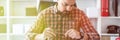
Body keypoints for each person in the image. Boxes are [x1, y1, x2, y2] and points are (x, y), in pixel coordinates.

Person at [26, 0, 100, 40]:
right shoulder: (44, 14)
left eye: (72, 5)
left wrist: (81, 35)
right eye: (65, 4)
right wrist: (41, 36)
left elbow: (96, 37)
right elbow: (28, 35)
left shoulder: (80, 14)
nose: (69, 9)